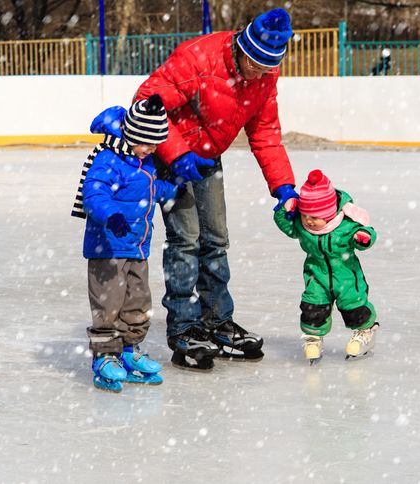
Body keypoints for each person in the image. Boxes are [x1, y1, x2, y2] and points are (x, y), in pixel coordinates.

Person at [126, 8, 299, 371]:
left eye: (268, 67)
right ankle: (184, 328)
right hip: (168, 154)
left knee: (216, 239)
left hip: (207, 159)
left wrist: (284, 187)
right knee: (186, 239)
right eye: (255, 64)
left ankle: (216, 320)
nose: (260, 73)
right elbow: (146, 102)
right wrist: (177, 155)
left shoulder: (265, 76)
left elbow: (265, 133)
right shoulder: (198, 59)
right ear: (242, 47)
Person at [79, 95, 179, 392]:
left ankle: (127, 351)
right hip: (107, 247)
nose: (150, 150)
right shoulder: (109, 159)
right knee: (108, 303)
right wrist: (111, 216)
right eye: (145, 143)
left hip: (137, 247)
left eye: (154, 145)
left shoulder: (143, 160)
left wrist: (172, 189)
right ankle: (105, 357)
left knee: (138, 302)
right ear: (132, 134)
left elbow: (148, 188)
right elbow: (94, 193)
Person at [273, 169, 379, 364]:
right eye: (305, 216)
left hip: (346, 277)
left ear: (329, 214)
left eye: (314, 217)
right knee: (313, 307)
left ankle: (366, 331)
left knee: (353, 307)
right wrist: (285, 209)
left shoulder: (345, 226)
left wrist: (363, 238)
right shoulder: (303, 226)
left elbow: (366, 232)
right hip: (316, 275)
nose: (308, 221)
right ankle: (313, 338)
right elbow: (287, 226)